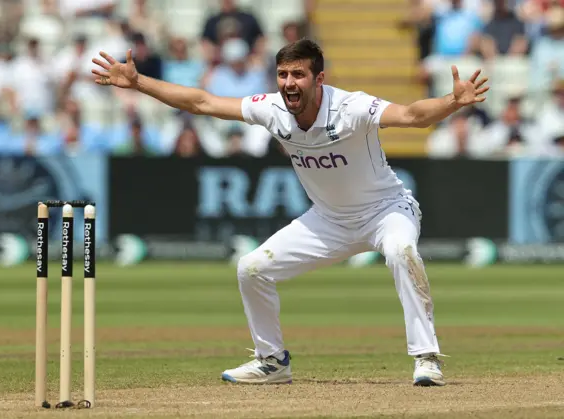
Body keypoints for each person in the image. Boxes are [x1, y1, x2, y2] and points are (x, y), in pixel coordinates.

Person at [91, 39, 489, 387]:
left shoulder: (351, 107)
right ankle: (272, 362)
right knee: (251, 268)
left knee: (401, 251)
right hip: (328, 220)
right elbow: (202, 102)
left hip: (386, 211)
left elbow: (413, 116)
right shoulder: (272, 109)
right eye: (282, 74)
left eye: (298, 75)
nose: (288, 84)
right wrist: (138, 82)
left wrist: (453, 102)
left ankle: (426, 357)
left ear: (319, 79)